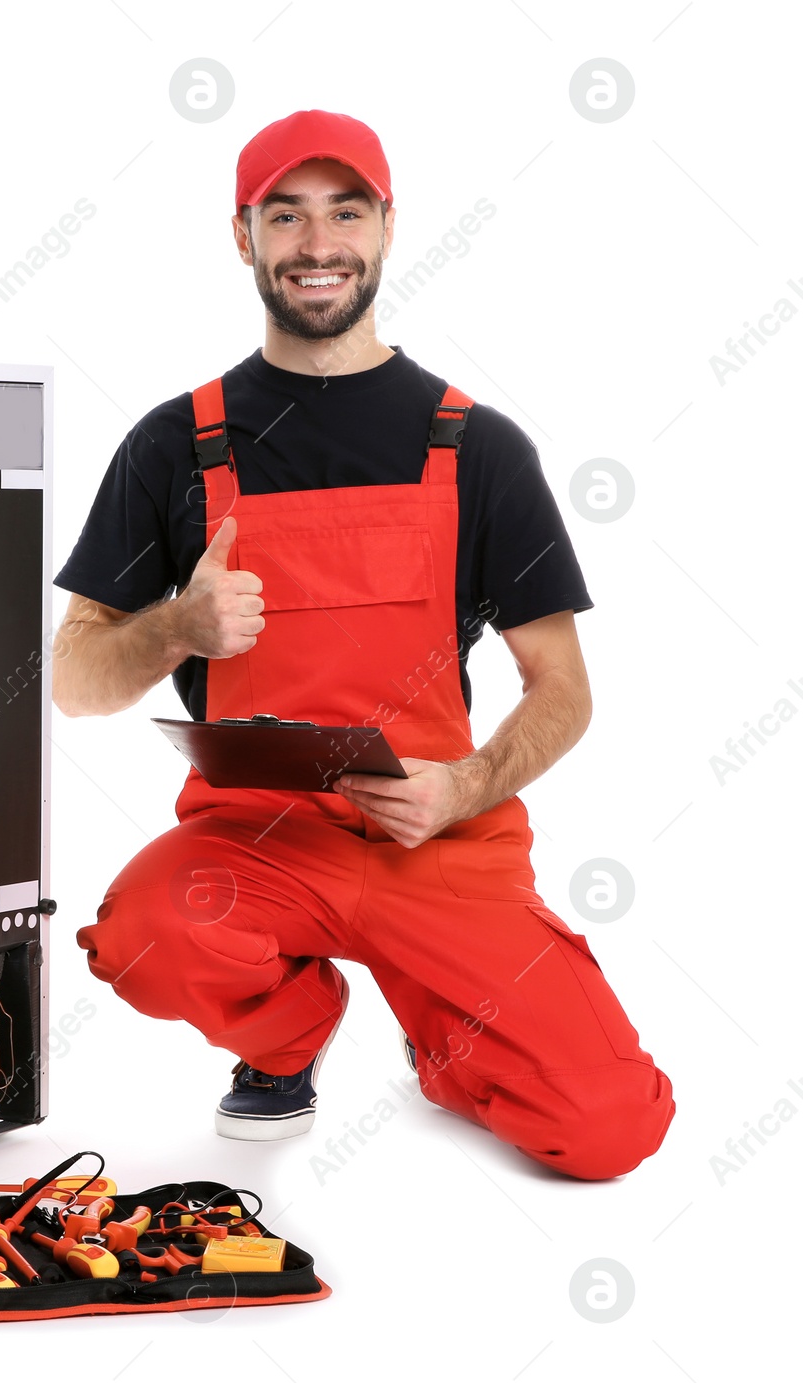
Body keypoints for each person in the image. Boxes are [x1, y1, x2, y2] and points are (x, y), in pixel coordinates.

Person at [52, 109, 673, 1180]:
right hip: (256, 844)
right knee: (145, 936)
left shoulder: (477, 445)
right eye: (283, 215)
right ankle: (287, 1037)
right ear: (240, 236)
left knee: (610, 1130)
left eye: (345, 211)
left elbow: (560, 688)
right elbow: (72, 679)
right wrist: (176, 629)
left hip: (440, 846)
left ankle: (446, 1050)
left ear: (386, 227)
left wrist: (468, 785)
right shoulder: (173, 443)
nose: (315, 243)